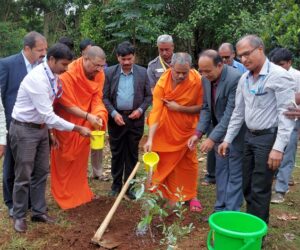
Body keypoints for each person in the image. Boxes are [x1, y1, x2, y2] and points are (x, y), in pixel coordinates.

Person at [10, 43, 91, 233]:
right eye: (63, 64)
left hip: (40, 128)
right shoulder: (38, 79)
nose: (66, 69)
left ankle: (39, 211)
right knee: (23, 175)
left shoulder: (53, 76)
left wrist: (49, 132)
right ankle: (19, 215)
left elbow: (49, 110)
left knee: (41, 172)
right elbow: (48, 115)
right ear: (52, 60)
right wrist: (77, 128)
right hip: (24, 130)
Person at [218, 35, 296, 223]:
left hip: (268, 139)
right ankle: (252, 222)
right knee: (247, 185)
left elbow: (287, 115)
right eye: (241, 56)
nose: (244, 60)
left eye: (247, 54)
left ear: (260, 49)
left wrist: (278, 148)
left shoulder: (279, 76)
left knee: (260, 188)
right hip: (249, 137)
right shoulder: (245, 78)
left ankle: (256, 236)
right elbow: (238, 111)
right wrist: (227, 139)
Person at [144, 52, 203, 212]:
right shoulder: (162, 82)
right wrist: (150, 138)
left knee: (188, 163)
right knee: (163, 160)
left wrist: (180, 108)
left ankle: (191, 195)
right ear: (171, 67)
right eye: (178, 72)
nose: (181, 75)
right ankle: (165, 192)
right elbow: (156, 110)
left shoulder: (197, 80)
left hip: (186, 129)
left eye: (185, 72)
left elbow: (202, 107)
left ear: (190, 69)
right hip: (165, 128)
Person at [50, 46, 108, 209]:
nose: (99, 70)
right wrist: (88, 116)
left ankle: (79, 191)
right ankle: (64, 195)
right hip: (67, 123)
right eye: (95, 65)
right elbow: (66, 104)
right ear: (85, 58)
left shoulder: (100, 74)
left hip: (86, 123)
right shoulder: (68, 74)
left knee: (80, 160)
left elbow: (97, 97)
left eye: (101, 66)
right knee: (65, 158)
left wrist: (98, 113)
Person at [188, 50, 245, 212]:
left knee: (234, 173)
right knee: (221, 171)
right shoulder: (205, 80)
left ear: (220, 65)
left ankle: (231, 212)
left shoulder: (235, 79)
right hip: (217, 131)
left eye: (208, 71)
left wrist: (212, 138)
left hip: (236, 132)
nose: (204, 75)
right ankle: (220, 208)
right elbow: (206, 108)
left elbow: (231, 113)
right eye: (201, 71)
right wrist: (198, 134)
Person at [0, 31, 47, 217]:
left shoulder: (42, 67)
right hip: (14, 124)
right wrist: (3, 130)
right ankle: (11, 202)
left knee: (33, 165)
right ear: (27, 48)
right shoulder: (7, 64)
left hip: (36, 125)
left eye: (45, 49)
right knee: (12, 164)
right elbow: (1, 96)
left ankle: (29, 202)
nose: (43, 54)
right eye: (39, 50)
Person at [103, 41, 152, 200]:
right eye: (123, 59)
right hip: (116, 118)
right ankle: (116, 186)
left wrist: (140, 110)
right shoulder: (109, 73)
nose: (126, 63)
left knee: (131, 154)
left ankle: (129, 187)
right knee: (117, 153)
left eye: (129, 59)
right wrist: (113, 113)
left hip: (135, 119)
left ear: (134, 57)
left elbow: (148, 96)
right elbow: (104, 97)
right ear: (118, 57)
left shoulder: (143, 72)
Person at [268, 48, 300, 203]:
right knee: (273, 150)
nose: (279, 68)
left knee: (288, 154)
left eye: (282, 65)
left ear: (289, 62)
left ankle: (280, 189)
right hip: (272, 121)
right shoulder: (271, 75)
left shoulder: (297, 76)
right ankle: (272, 180)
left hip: (291, 120)